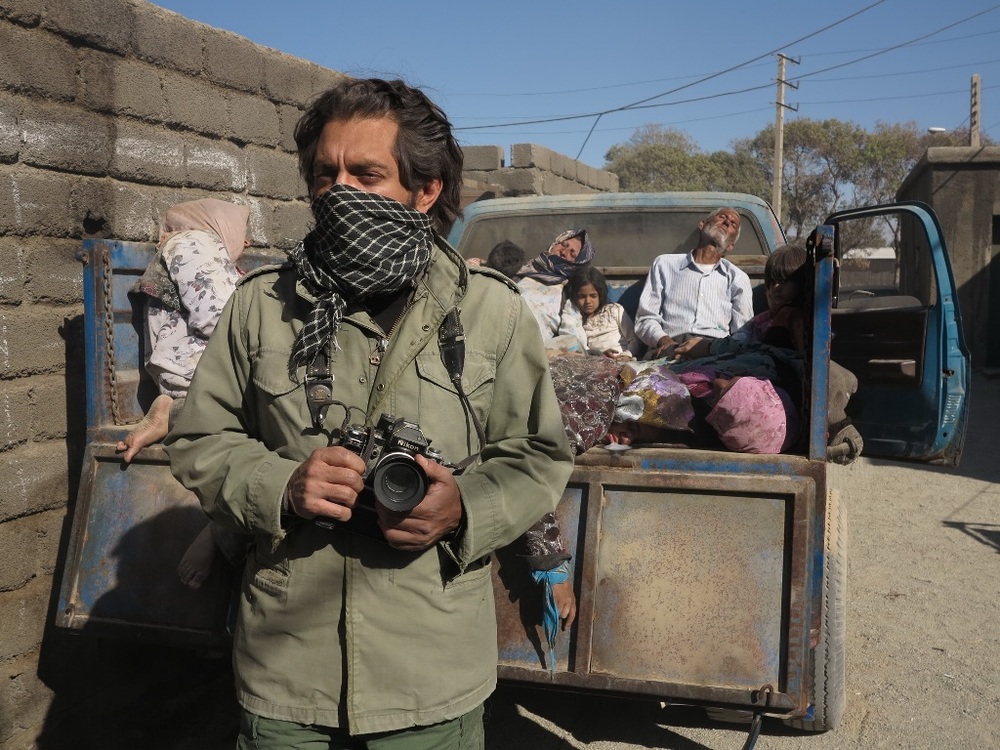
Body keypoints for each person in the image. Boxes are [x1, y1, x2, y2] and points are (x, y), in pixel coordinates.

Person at [164, 78, 575, 749]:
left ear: (427, 189)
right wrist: (282, 486)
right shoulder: (261, 304)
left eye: (368, 173)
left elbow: (536, 454)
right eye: (325, 173)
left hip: (430, 672)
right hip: (286, 671)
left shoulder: (490, 312)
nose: (341, 190)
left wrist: (463, 507)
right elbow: (202, 438)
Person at [114, 199, 251, 590]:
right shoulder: (193, 244)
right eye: (244, 228)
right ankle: (219, 531)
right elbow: (222, 315)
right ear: (219, 223)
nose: (248, 239)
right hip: (208, 384)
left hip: (202, 384)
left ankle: (169, 409)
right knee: (281, 441)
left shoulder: (197, 248)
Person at [634, 207, 753, 359]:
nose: (727, 222)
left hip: (714, 352)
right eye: (722, 217)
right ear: (702, 224)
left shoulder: (738, 278)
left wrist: (711, 348)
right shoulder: (664, 264)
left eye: (733, 224)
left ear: (730, 246)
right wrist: (665, 342)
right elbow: (645, 318)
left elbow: (743, 333)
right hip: (669, 347)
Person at [674, 244, 808, 361]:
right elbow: (741, 341)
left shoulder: (796, 317)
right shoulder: (759, 322)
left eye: (783, 281)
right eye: (771, 283)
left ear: (801, 283)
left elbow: (769, 353)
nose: (775, 288)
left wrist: (710, 347)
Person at [514, 228, 593, 351]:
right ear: (555, 243)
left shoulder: (568, 293)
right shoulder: (518, 272)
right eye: (563, 245)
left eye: (572, 254)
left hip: (525, 353)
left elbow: (572, 339)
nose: (564, 252)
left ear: (577, 263)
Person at [564, 266, 639, 360]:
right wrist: (600, 355)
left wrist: (627, 355)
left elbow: (635, 340)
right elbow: (583, 350)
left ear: (601, 295)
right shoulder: (577, 321)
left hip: (624, 359)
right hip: (598, 362)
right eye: (582, 296)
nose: (588, 301)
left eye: (593, 296)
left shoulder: (614, 311)